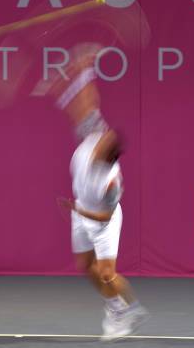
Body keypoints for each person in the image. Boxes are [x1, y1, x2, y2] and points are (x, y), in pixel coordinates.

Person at [54, 43, 148, 341]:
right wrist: (84, 68)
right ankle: (115, 307)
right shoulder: (95, 137)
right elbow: (86, 103)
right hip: (80, 209)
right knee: (85, 266)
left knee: (107, 272)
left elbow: (103, 214)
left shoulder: (111, 183)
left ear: (109, 156)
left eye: (104, 141)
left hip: (102, 219)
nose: (99, 136)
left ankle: (131, 309)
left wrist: (76, 211)